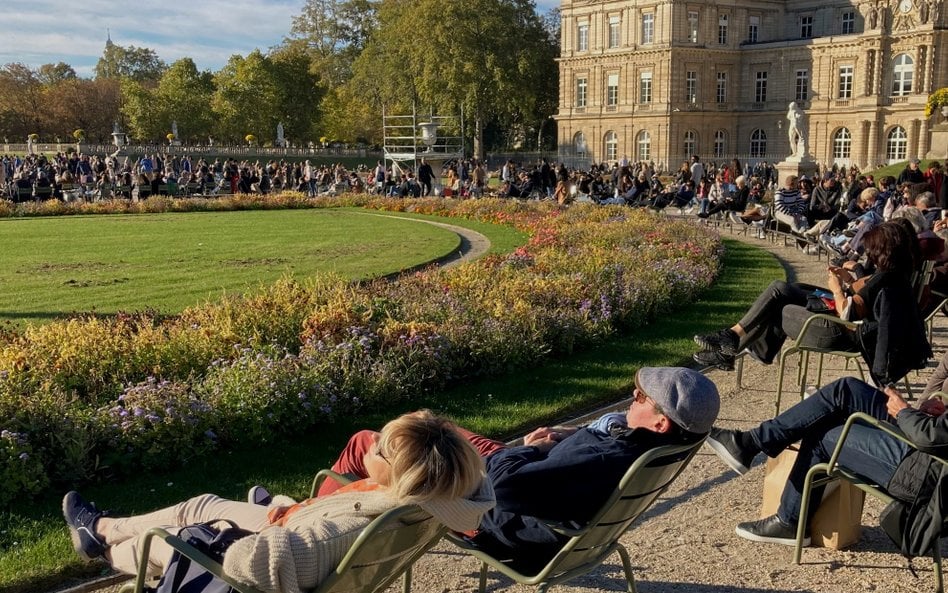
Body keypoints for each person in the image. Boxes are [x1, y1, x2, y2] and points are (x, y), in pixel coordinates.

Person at [316, 367, 719, 565]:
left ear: (660, 421)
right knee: (420, 425)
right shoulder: (654, 449)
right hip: (538, 489)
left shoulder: (601, 458)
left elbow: (503, 487)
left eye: (642, 397)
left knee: (366, 444)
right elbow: (574, 466)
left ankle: (314, 523)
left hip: (493, 509)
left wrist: (527, 448)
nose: (634, 394)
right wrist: (565, 438)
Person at [61, 411, 494, 592]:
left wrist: (226, 537)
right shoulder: (440, 498)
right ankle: (101, 529)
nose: (371, 444)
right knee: (201, 503)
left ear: (403, 475)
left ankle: (105, 543)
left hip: (275, 538)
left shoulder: (335, 536)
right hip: (294, 522)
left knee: (168, 537)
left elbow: (251, 566)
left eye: (379, 448)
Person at [705, 372, 947, 550]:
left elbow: (931, 437)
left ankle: (789, 520)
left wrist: (905, 413)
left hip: (926, 471)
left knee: (821, 432)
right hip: (929, 452)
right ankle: (749, 444)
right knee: (847, 389)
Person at [693, 221, 931, 383]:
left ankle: (739, 347)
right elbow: (869, 300)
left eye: (871, 250)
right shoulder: (897, 273)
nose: (868, 254)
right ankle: (733, 340)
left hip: (839, 331)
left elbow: (849, 312)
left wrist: (837, 288)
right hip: (847, 326)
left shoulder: (888, 279)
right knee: (783, 289)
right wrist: (853, 277)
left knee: (781, 304)